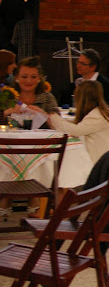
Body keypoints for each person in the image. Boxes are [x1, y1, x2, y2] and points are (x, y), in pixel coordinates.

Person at [0, 56, 59, 219]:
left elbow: (58, 123)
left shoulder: (47, 97)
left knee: (39, 157)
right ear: (17, 78)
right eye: (24, 76)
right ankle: (7, 195)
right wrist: (6, 112)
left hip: (39, 149)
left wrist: (44, 114)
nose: (29, 81)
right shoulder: (7, 96)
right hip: (8, 147)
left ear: (39, 78)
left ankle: (34, 197)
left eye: (33, 77)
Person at [34, 80, 109, 164]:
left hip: (107, 163)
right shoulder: (101, 112)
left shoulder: (98, 116)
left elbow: (75, 130)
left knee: (66, 162)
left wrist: (50, 116)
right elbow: (75, 124)